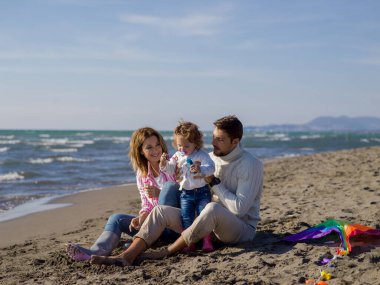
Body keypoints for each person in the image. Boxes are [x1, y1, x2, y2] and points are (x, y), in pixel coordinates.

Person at [90, 115, 264, 266]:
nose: (213, 143)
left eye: (220, 139)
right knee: (160, 211)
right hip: (204, 225)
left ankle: (166, 251)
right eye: (213, 137)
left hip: (239, 229)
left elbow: (239, 209)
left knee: (212, 208)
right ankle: (127, 256)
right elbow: (185, 180)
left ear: (235, 141)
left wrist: (213, 182)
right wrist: (179, 176)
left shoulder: (250, 164)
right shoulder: (208, 157)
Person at [66, 127, 181, 262]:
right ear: (141, 152)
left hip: (174, 228)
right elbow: (146, 203)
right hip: (151, 228)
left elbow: (184, 196)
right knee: (117, 218)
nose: (155, 150)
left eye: (157, 145)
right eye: (149, 147)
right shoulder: (142, 174)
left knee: (169, 187)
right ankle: (96, 251)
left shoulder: (174, 165)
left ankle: (148, 241)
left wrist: (159, 193)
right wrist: (142, 216)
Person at [160, 121, 215, 252]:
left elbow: (212, 167)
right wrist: (163, 163)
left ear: (195, 143)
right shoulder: (177, 156)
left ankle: (207, 241)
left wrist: (200, 168)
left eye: (186, 146)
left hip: (202, 192)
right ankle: (189, 243)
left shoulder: (201, 155)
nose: (182, 149)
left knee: (203, 216)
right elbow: (170, 169)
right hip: (185, 193)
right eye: (179, 145)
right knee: (186, 218)